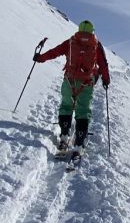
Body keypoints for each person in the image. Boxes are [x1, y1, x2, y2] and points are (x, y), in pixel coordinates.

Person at [33, 20, 111, 152]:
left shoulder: (71, 42)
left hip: (69, 81)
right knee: (83, 110)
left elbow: (54, 52)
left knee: (66, 106)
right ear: (92, 31)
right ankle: (79, 144)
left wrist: (40, 58)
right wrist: (106, 79)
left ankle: (64, 136)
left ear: (79, 29)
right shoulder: (96, 45)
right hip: (86, 83)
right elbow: (103, 64)